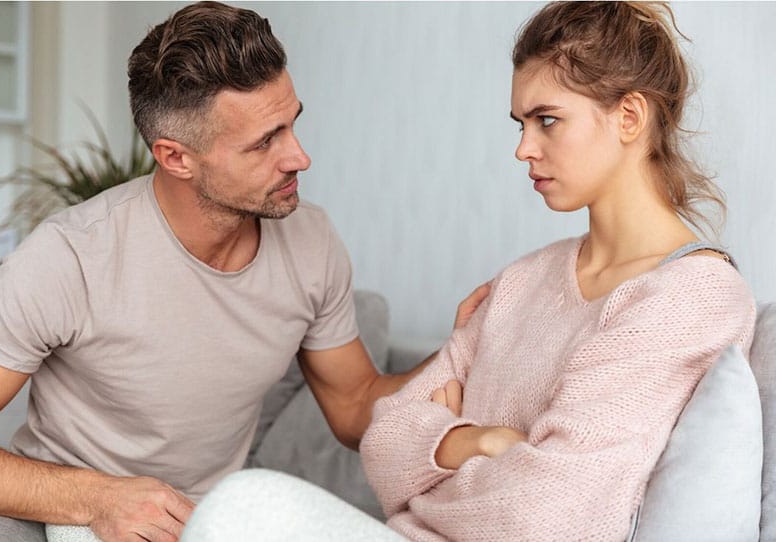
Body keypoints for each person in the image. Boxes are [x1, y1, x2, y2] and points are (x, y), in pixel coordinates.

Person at [178, 2, 757, 541]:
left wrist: (430, 472)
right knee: (241, 505)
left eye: (547, 120)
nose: (523, 148)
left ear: (628, 116)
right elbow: (383, 441)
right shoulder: (523, 281)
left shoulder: (691, 295)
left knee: (244, 507)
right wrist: (478, 441)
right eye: (520, 123)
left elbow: (550, 516)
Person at [0, 3, 486, 542]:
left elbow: (355, 406)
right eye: (265, 142)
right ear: (176, 158)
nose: (300, 157)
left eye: (292, 125)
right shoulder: (67, 260)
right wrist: (94, 498)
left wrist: (465, 349)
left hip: (217, 517)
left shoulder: (311, 242)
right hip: (88, 515)